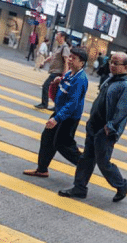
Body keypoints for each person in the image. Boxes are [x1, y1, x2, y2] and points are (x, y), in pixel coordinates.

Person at [58, 52, 127, 202]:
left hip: (105, 131)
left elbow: (122, 111)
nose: (111, 65)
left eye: (115, 63)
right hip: (94, 126)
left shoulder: (125, 87)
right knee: (86, 158)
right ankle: (79, 188)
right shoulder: (110, 79)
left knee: (103, 162)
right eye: (111, 62)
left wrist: (110, 127)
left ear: (125, 67)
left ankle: (122, 184)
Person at [23, 47, 89, 178]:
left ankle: (85, 165)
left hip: (68, 118)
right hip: (60, 113)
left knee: (64, 145)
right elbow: (58, 96)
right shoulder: (69, 74)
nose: (69, 60)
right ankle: (42, 169)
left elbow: (72, 103)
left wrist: (56, 119)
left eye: (74, 58)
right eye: (70, 56)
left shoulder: (80, 79)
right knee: (47, 139)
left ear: (81, 63)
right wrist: (58, 82)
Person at [35, 32, 70, 110]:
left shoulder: (65, 47)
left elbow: (66, 61)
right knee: (57, 90)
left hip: (58, 72)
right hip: (55, 71)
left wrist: (65, 74)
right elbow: (52, 57)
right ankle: (56, 106)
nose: (56, 36)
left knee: (46, 86)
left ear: (62, 37)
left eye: (58, 35)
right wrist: (44, 61)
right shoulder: (58, 47)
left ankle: (44, 104)